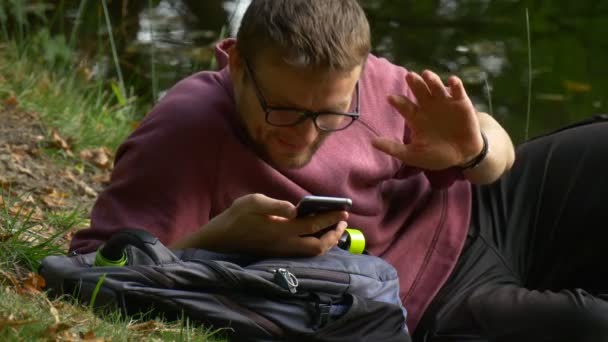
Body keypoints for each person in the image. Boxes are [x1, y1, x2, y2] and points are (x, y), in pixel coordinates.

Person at [69, 0, 608, 341]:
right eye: (283, 111)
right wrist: (218, 239)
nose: (305, 135)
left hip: (491, 207)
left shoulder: (363, 79)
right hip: (427, 298)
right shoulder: (187, 128)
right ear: (236, 64)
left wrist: (473, 153)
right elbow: (95, 270)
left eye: (329, 114)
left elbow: (497, 152)